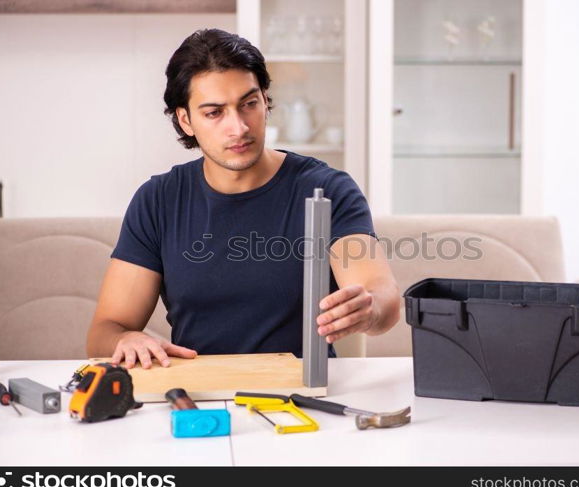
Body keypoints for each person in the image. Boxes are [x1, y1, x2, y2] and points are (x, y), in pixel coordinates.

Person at [86, 28, 400, 369]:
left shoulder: (328, 189)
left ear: (265, 101)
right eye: (214, 113)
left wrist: (370, 309)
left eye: (248, 104)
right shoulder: (158, 201)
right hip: (200, 396)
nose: (238, 127)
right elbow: (106, 330)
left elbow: (382, 296)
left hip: (304, 395)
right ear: (185, 120)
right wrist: (126, 339)